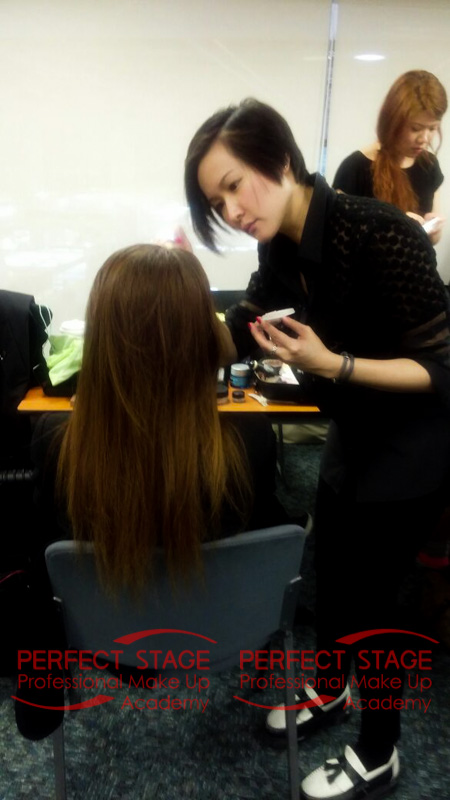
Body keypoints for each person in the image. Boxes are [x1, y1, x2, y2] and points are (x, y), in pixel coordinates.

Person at [184, 98, 450, 800]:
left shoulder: (382, 233)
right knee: (329, 570)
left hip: (416, 442)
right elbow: (244, 327)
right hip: (353, 433)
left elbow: (441, 367)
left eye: (235, 185)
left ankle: (380, 752)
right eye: (217, 203)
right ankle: (330, 689)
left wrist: (334, 365)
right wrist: (179, 298)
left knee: (374, 602)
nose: (232, 210)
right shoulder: (280, 248)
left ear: (279, 160)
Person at [15, 242, 289, 740]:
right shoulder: (250, 438)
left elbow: (46, 558)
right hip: (219, 633)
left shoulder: (55, 440)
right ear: (203, 334)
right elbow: (265, 534)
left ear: (102, 337)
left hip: (107, 642)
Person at [332, 70, 447, 245]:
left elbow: (433, 241)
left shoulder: (429, 165)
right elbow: (336, 236)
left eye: (432, 128)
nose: (424, 139)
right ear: (393, 122)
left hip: (417, 262)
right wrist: (394, 227)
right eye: (416, 128)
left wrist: (432, 228)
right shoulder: (356, 167)